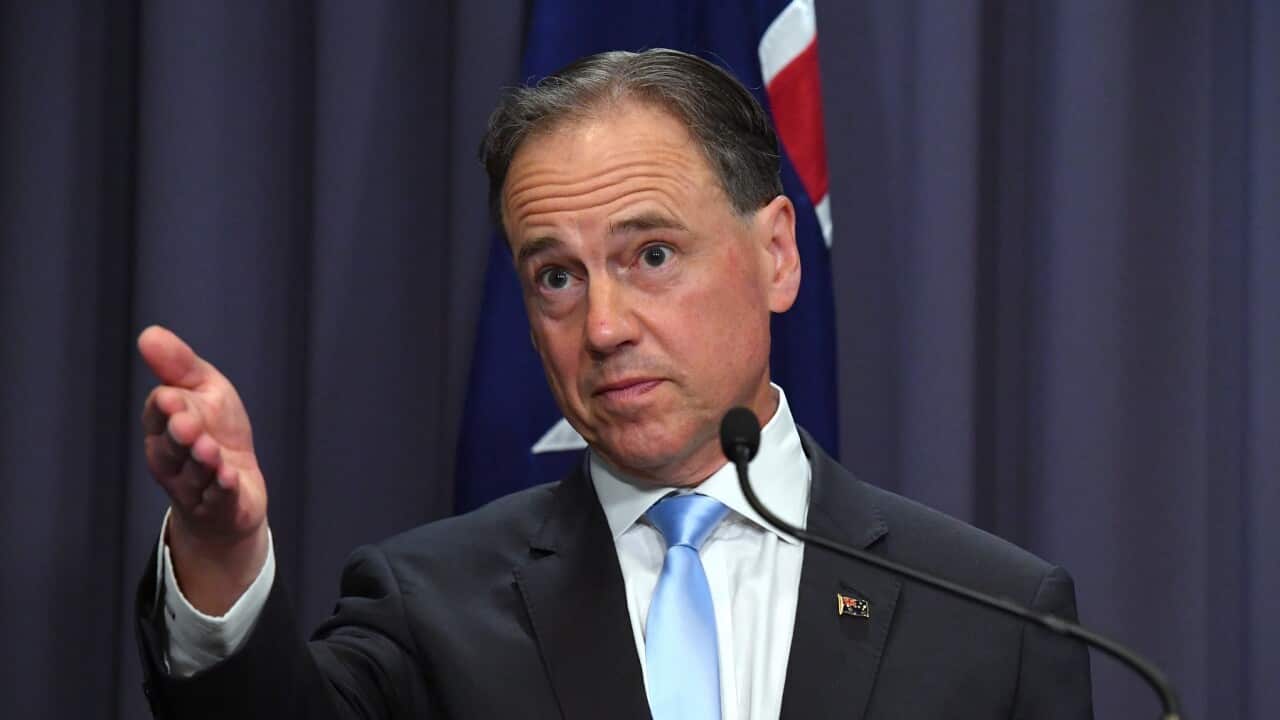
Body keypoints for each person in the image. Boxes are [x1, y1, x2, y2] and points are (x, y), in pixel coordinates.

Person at [134, 49, 1093, 719]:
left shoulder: (990, 616)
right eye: (556, 274)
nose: (601, 327)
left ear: (776, 257)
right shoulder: (429, 605)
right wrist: (222, 555)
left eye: (652, 254)